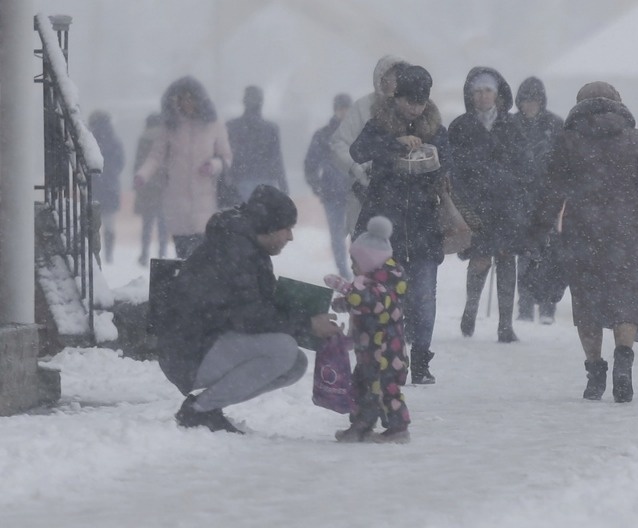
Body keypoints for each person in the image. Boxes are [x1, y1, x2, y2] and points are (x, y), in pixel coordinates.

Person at [154, 185, 342, 433]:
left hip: (206, 343)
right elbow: (251, 318)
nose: (290, 237)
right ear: (270, 226)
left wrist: (308, 316)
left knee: (295, 363)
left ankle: (207, 407)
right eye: (287, 228)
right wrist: (308, 325)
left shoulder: (248, 247)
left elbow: (260, 307)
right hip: (188, 353)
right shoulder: (236, 251)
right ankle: (199, 411)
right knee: (283, 351)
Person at [529, 81, 638, 403]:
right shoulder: (634, 139)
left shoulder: (568, 140)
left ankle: (595, 372)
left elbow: (552, 192)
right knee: (625, 303)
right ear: (617, 103)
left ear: (579, 105)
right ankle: (623, 360)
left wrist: (539, 230)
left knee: (587, 306)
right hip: (628, 233)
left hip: (583, 234)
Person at [349, 65, 448, 385]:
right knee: (385, 297)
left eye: (419, 103)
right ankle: (389, 357)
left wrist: (429, 156)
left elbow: (451, 161)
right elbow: (358, 150)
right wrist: (394, 144)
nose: (414, 108)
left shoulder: (435, 128)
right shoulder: (379, 124)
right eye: (408, 101)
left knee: (423, 297)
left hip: (423, 225)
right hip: (384, 225)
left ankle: (420, 360)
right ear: (397, 98)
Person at [448, 66, 525, 343]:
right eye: (477, 91)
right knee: (479, 260)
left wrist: (516, 193)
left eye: (488, 91)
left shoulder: (512, 125)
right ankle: (470, 310)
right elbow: (453, 168)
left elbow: (523, 165)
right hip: (475, 206)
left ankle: (505, 324)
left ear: (497, 93)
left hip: (506, 206)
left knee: (506, 258)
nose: (482, 96)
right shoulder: (460, 126)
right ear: (471, 94)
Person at [324, 216, 411, 443]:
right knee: (362, 387)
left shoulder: (386, 284)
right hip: (370, 351)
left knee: (386, 390)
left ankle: (398, 428)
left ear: (370, 260)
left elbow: (373, 302)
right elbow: (364, 303)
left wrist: (344, 288)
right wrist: (346, 302)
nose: (352, 266)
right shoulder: (370, 281)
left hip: (386, 353)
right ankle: (361, 424)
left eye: (355, 261)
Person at [134, 76, 232, 259]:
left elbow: (226, 157)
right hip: (176, 199)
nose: (186, 103)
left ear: (199, 99)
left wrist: (213, 165)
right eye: (181, 98)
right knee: (183, 251)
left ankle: (200, 286)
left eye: (190, 98)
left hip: (205, 198)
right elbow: (156, 156)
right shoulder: (170, 126)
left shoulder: (214, 125)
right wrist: (142, 175)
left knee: (202, 252)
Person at [329, 55, 408, 235]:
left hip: (406, 202)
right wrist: (355, 168)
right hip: (364, 197)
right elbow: (338, 143)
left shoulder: (414, 108)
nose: (395, 84)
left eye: (399, 79)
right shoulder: (363, 108)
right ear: (380, 80)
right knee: (369, 257)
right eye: (390, 79)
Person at [512, 76, 565, 324]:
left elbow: (563, 163)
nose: (529, 105)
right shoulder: (510, 125)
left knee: (549, 254)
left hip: (548, 199)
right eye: (525, 100)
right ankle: (524, 306)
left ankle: (547, 307)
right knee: (524, 254)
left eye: (534, 100)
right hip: (519, 199)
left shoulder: (555, 125)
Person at [305, 92, 353, 278]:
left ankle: (358, 270)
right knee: (337, 236)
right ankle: (344, 271)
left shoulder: (358, 133)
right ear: (336, 110)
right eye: (342, 109)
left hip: (354, 193)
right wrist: (316, 186)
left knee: (358, 235)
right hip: (332, 193)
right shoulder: (323, 135)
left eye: (347, 108)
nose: (344, 112)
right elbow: (310, 163)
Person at [226, 85, 288, 202]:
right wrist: (283, 185)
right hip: (265, 179)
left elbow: (227, 155)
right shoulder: (271, 128)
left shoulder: (232, 126)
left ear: (244, 101)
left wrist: (226, 180)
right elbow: (277, 158)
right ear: (261, 102)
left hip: (240, 178)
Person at [88, 110, 125, 265]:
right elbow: (121, 162)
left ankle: (93, 251)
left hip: (94, 186)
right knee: (109, 223)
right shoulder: (114, 140)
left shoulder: (90, 139)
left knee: (92, 222)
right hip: (110, 186)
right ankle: (109, 253)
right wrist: (111, 174)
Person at [133, 113, 169, 265]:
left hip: (147, 186)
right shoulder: (167, 139)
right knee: (163, 222)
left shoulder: (144, 138)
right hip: (164, 185)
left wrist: (136, 183)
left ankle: (144, 253)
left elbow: (138, 162)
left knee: (147, 223)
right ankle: (162, 252)